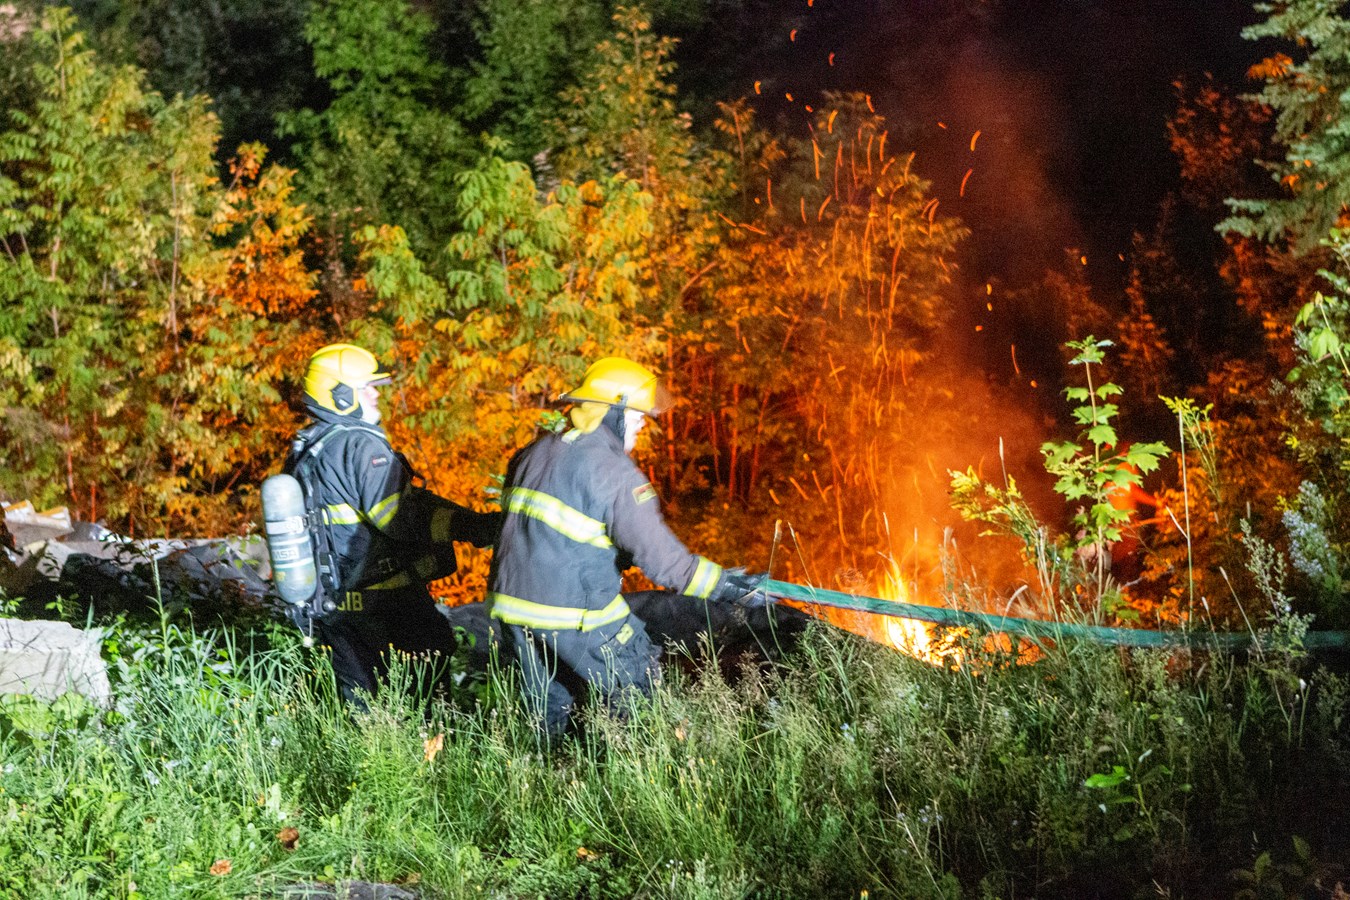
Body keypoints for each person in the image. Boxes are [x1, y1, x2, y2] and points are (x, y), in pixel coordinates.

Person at [486, 357, 766, 738]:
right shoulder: (614, 472)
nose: (639, 428)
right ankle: (634, 778)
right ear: (613, 411)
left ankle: (542, 784)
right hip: (574, 614)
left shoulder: (533, 453)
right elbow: (664, 561)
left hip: (512, 611)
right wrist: (724, 586)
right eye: (636, 418)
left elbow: (540, 531)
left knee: (548, 711)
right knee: (639, 690)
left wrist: (614, 554)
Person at [285, 342, 499, 705]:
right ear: (339, 395)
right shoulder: (359, 445)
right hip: (386, 604)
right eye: (364, 387)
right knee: (424, 699)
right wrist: (474, 528)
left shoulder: (310, 446)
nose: (374, 394)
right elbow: (401, 517)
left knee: (363, 710)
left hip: (336, 606)